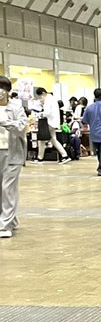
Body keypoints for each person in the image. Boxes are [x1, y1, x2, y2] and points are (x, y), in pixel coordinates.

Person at [0, 75, 27, 239]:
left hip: (12, 153)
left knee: (7, 188)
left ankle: (5, 225)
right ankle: (10, 219)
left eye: (2, 88)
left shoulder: (16, 108)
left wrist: (5, 122)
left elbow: (21, 127)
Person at [33, 87, 70, 163]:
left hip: (49, 122)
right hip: (53, 122)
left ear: (43, 93)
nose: (40, 98)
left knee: (43, 139)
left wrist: (40, 114)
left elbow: (47, 112)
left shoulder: (48, 100)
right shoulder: (52, 98)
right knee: (52, 140)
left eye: (40, 96)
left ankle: (40, 158)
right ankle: (64, 155)